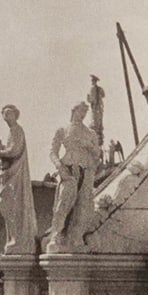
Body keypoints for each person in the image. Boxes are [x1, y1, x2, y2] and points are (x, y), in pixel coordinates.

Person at [47, 103, 101, 252]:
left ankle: (76, 237)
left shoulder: (90, 133)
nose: (82, 114)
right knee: (63, 202)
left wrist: (88, 146)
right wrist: (59, 167)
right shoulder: (63, 129)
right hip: (68, 168)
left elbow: (97, 154)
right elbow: (53, 152)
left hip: (86, 169)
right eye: (80, 110)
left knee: (83, 205)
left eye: (85, 111)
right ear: (74, 110)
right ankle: (56, 236)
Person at [0, 105, 38, 254]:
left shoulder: (17, 130)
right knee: (6, 206)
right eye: (4, 113)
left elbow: (15, 150)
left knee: (11, 205)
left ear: (15, 115)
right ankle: (13, 237)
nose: (6, 116)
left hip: (16, 175)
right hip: (9, 174)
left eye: (9, 113)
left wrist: (0, 151)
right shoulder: (12, 131)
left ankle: (17, 239)